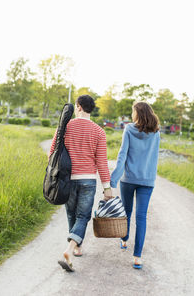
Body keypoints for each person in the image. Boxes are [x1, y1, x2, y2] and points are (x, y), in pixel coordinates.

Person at [49, 95, 112, 272]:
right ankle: (72, 248)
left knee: (71, 215)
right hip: (88, 180)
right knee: (83, 216)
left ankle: (75, 247)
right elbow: (101, 161)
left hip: (67, 179)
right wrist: (107, 187)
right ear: (91, 109)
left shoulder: (65, 127)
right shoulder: (99, 131)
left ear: (78, 107)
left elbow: (52, 153)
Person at [110, 101, 160, 269]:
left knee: (127, 212)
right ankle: (137, 257)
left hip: (128, 179)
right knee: (141, 217)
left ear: (137, 113)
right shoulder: (156, 132)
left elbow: (122, 154)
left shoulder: (129, 129)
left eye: (133, 112)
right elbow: (154, 157)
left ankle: (124, 241)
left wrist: (113, 179)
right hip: (147, 180)